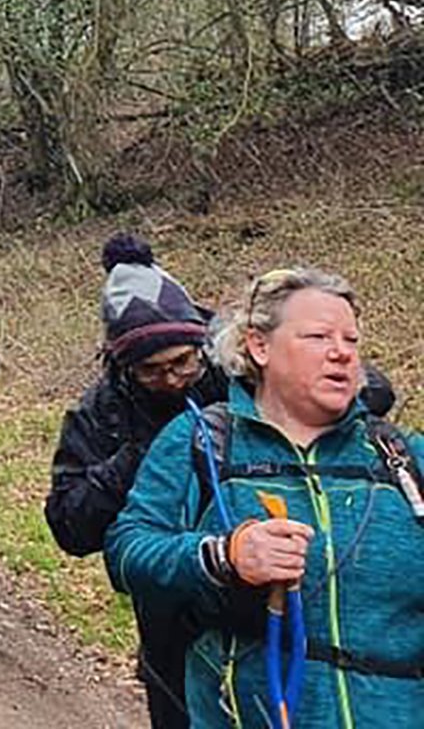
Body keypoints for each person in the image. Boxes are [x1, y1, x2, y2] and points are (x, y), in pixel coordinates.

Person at [47, 236, 398, 728]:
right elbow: (70, 526)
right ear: (121, 366)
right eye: (152, 371)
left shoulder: (235, 375)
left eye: (182, 362)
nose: (172, 380)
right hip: (171, 618)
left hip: (284, 618)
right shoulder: (99, 415)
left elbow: (368, 387)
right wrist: (137, 459)